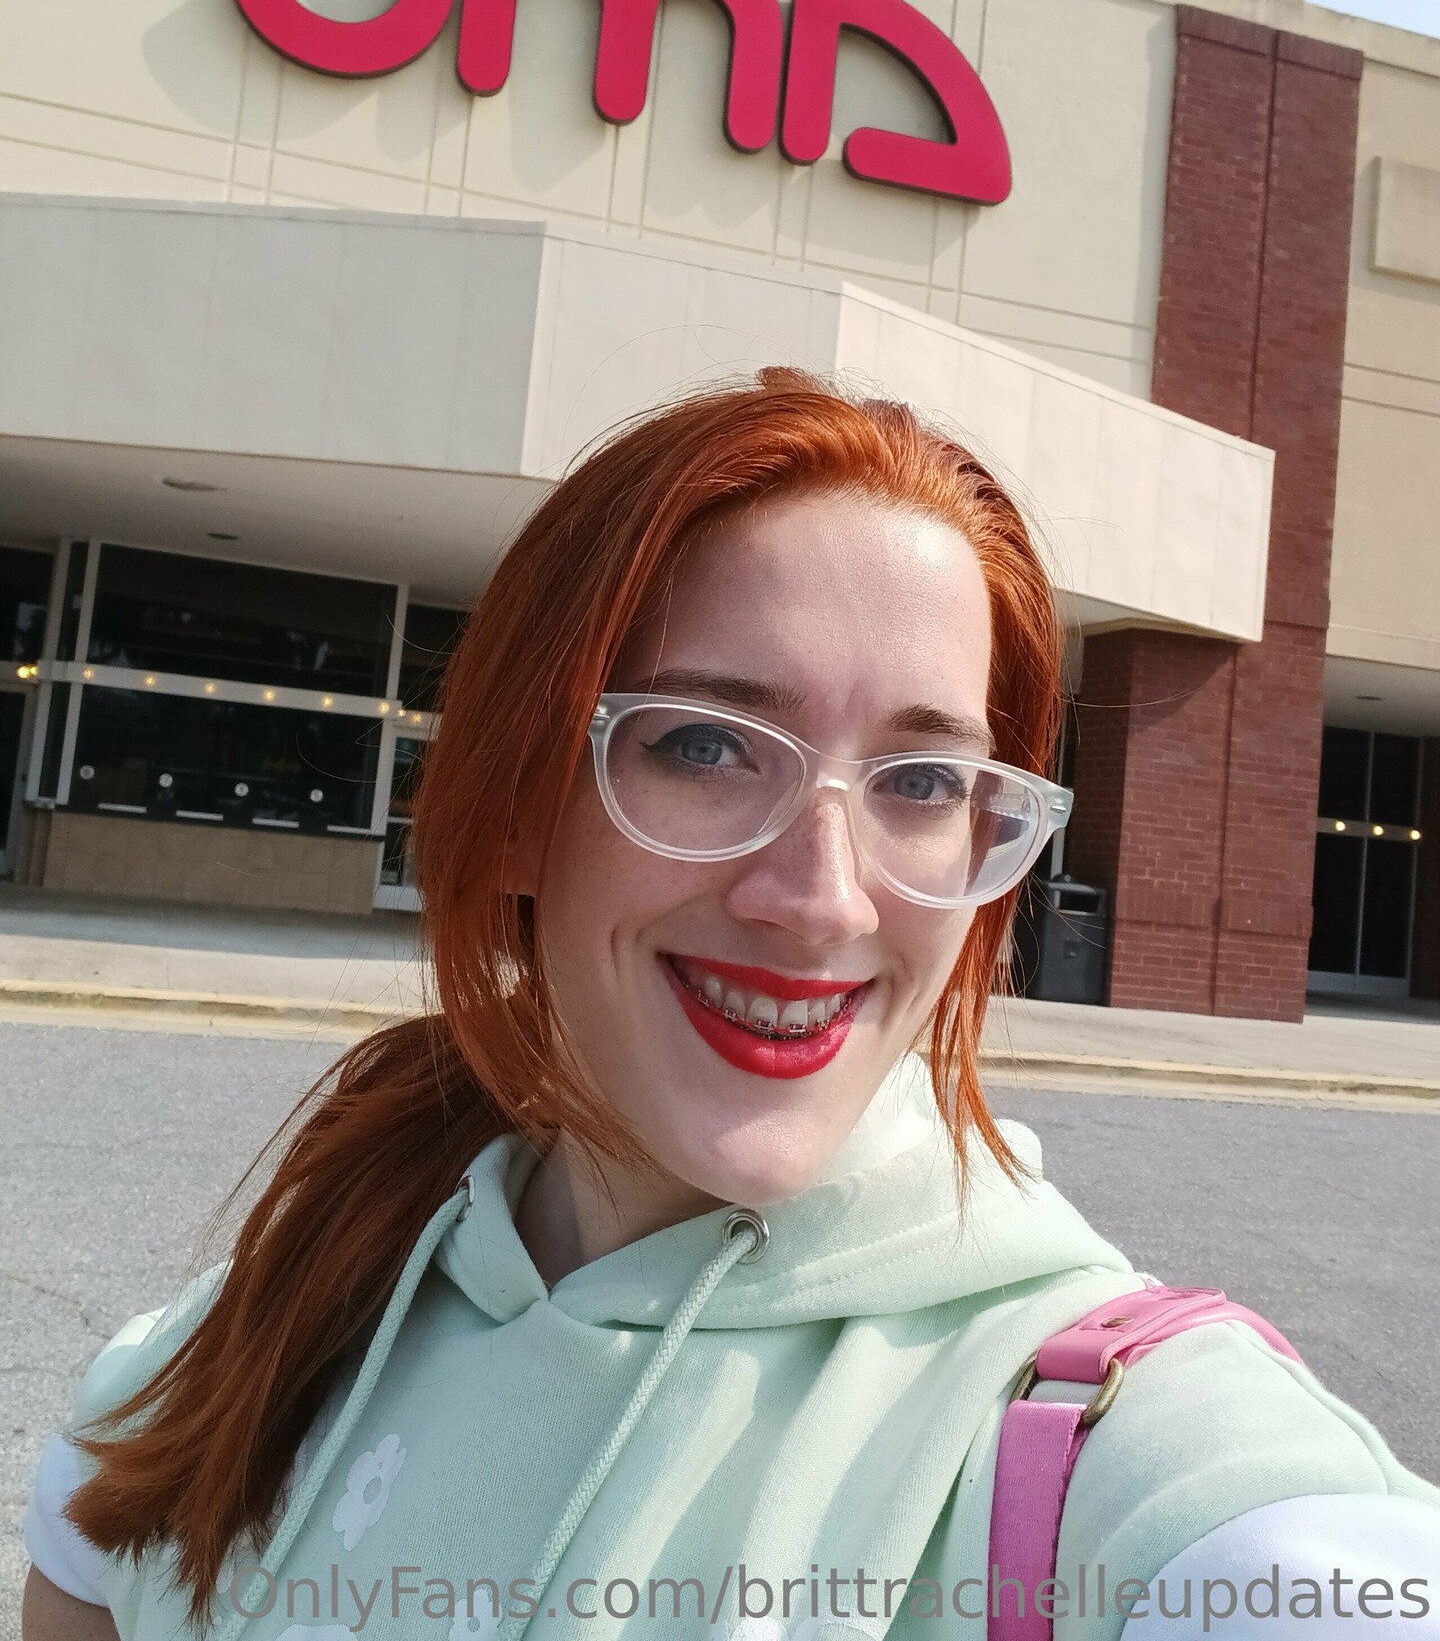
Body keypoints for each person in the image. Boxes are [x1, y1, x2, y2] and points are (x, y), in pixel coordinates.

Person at [21, 369, 1440, 1641]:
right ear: (515, 804)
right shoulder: (241, 1351)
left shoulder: (1096, 1446)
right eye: (706, 746)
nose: (822, 898)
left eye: (923, 782)